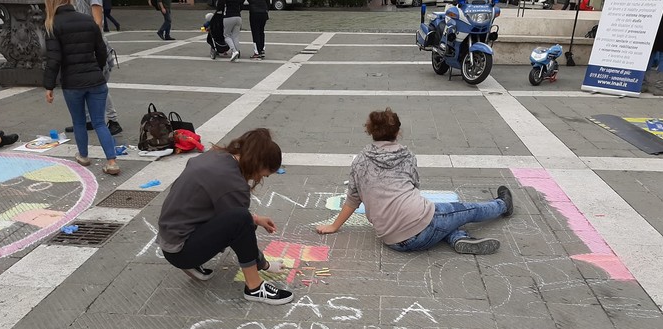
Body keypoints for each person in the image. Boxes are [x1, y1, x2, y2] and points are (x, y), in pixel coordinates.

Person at [316, 108, 513, 255]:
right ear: (397, 132)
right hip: (421, 224)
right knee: (466, 210)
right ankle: (503, 204)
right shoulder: (407, 155)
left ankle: (458, 238)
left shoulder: (359, 161)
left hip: (392, 240)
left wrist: (334, 226)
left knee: (444, 221)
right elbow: (415, 187)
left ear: (371, 132)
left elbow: (352, 199)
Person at [157, 128, 293, 305]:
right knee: (241, 220)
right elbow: (239, 223)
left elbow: (220, 207)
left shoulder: (217, 157)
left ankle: (190, 262)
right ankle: (255, 287)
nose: (262, 177)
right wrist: (263, 264)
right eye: (264, 173)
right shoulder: (233, 182)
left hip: (171, 238)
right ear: (257, 164)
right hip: (181, 250)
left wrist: (256, 219)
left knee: (241, 218)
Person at [44, 0, 120, 175]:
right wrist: (98, 69)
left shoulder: (52, 24)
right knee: (100, 122)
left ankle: (84, 156)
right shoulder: (87, 20)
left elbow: (54, 59)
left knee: (79, 121)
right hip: (95, 79)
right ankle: (112, 161)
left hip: (72, 82)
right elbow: (101, 50)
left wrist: (49, 86)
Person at [64, 0, 122, 136]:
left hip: (94, 47)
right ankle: (87, 120)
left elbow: (98, 22)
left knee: (100, 84)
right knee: (85, 83)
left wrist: (89, 44)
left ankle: (113, 121)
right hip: (81, 46)